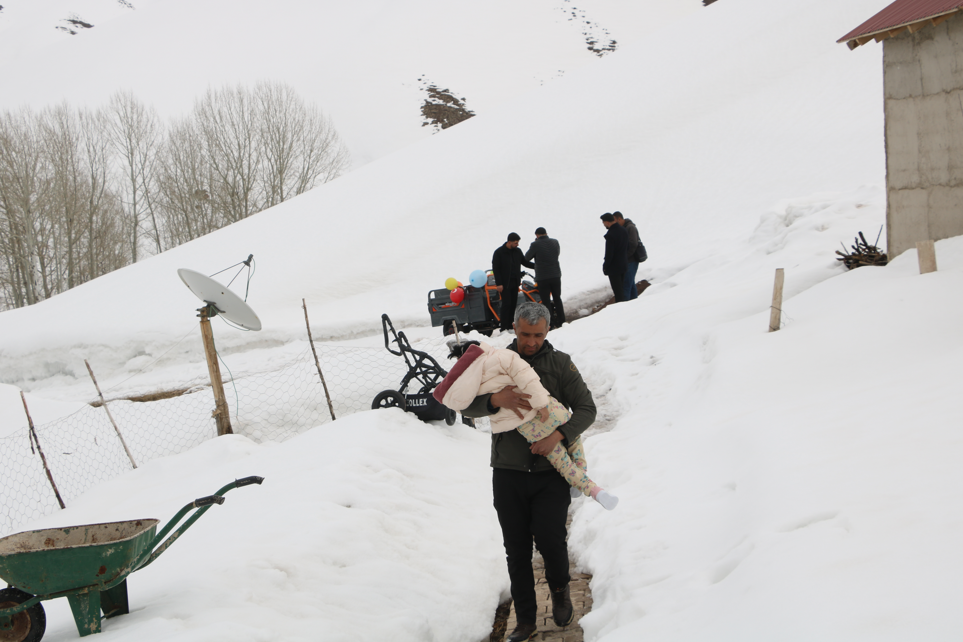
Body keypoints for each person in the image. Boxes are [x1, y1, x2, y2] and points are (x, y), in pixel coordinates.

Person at [460, 302, 600, 642]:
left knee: (551, 541)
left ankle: (560, 591)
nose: (532, 342)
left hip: (550, 474)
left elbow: (587, 408)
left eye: (538, 335)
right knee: (517, 549)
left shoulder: (560, 364)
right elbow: (465, 404)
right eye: (525, 334)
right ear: (514, 328)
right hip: (507, 472)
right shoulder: (494, 362)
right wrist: (495, 401)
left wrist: (559, 436)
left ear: (548, 330)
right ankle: (525, 621)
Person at [433, 341, 617, 509]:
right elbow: (526, 376)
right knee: (575, 441)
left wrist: (490, 399)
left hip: (527, 426)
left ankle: (591, 489)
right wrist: (540, 403)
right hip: (549, 409)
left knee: (562, 461)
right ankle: (582, 478)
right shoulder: (501, 356)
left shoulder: (470, 383)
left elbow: (459, 405)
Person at [491, 233, 535, 332]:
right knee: (506, 304)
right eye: (515, 243)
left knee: (513, 304)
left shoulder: (517, 251)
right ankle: (504, 327)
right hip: (505, 284)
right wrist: (499, 283)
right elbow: (496, 269)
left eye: (518, 242)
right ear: (509, 242)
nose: (517, 245)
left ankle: (510, 325)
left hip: (515, 282)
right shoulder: (499, 252)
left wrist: (537, 266)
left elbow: (525, 262)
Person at [524, 227, 565, 329]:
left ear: (536, 235)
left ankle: (550, 323)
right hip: (555, 275)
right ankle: (562, 321)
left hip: (543, 277)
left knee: (546, 301)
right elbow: (555, 255)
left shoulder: (535, 245)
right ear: (546, 233)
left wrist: (537, 265)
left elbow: (526, 258)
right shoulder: (555, 242)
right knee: (557, 298)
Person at [600, 213, 628, 302]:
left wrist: (605, 266)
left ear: (607, 222)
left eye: (604, 223)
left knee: (618, 292)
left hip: (614, 267)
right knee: (621, 289)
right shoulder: (623, 230)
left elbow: (609, 253)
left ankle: (620, 307)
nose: (604, 225)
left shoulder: (611, 235)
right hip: (623, 264)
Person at [613, 211, 641, 301]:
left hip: (632, 260)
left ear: (619, 219)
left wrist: (625, 256)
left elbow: (633, 244)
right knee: (631, 284)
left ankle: (624, 305)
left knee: (626, 285)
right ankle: (634, 303)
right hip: (628, 260)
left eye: (615, 221)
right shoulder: (624, 228)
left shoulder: (630, 227)